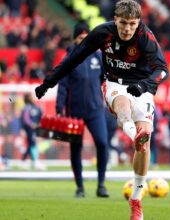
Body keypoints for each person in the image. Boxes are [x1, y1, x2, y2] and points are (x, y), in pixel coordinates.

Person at [35, 1, 168, 219]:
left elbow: (162, 70)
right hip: (114, 83)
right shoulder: (102, 33)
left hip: (142, 86)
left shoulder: (145, 36)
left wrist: (144, 86)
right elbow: (73, 59)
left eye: (132, 24)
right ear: (115, 19)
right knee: (122, 105)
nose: (127, 28)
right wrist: (48, 82)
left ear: (138, 23)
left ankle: (136, 199)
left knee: (144, 148)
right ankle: (135, 135)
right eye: (123, 23)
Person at [56, 22, 110, 198]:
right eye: (81, 38)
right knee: (75, 148)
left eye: (87, 37)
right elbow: (62, 86)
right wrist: (59, 108)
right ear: (75, 39)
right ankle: (80, 187)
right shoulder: (68, 59)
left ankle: (101, 184)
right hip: (74, 113)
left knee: (102, 143)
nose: (85, 41)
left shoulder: (98, 57)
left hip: (95, 110)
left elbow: (106, 80)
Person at [21, 93, 43, 170]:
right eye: (31, 97)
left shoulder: (35, 107)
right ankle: (34, 161)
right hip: (30, 128)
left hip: (34, 128)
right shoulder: (27, 108)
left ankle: (26, 160)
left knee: (31, 144)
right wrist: (32, 124)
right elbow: (25, 119)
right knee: (32, 143)